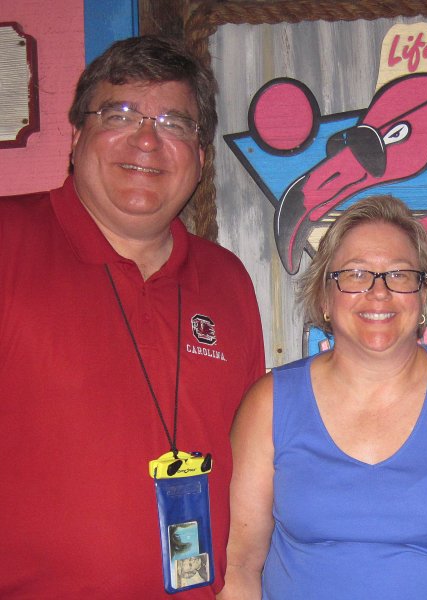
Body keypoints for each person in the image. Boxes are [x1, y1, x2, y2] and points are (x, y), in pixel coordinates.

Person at [0, 36, 265, 598]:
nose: (147, 139)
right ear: (76, 137)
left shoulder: (228, 281)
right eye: (120, 114)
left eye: (174, 122)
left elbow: (250, 471)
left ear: (200, 156)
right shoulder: (8, 242)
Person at [219, 195, 427, 599]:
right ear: (325, 297)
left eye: (400, 274)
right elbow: (237, 564)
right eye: (355, 274)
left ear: (423, 297)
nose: (379, 292)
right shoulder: (269, 405)